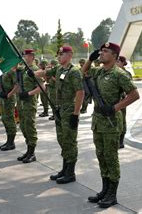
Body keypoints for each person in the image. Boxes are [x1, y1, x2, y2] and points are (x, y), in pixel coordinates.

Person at [82, 42, 140, 208]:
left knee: (111, 158)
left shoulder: (119, 74)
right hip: (98, 122)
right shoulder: (98, 71)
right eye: (100, 51)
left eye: (105, 51)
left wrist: (115, 108)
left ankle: (112, 195)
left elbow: (134, 95)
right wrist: (90, 59)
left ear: (114, 56)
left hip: (111, 123)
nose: (101, 53)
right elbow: (83, 73)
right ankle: (104, 190)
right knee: (101, 156)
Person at [46, 46, 84, 184]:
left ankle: (70, 173)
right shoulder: (60, 69)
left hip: (69, 109)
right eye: (58, 54)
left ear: (69, 55)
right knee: (62, 139)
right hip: (60, 109)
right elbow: (45, 73)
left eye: (61, 54)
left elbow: (80, 92)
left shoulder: (74, 72)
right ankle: (64, 169)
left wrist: (76, 113)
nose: (58, 56)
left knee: (70, 140)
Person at [16, 49, 43, 164]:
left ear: (31, 56)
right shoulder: (23, 70)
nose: (23, 57)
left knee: (30, 126)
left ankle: (32, 153)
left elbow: (42, 87)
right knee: (23, 126)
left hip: (29, 102)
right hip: (21, 102)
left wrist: (28, 93)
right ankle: (28, 150)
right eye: (23, 55)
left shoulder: (35, 70)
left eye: (25, 55)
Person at [0, 66, 19, 151]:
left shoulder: (11, 71)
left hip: (9, 99)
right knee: (4, 119)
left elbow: (17, 85)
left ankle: (11, 142)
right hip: (3, 98)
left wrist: (8, 95)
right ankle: (8, 141)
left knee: (9, 119)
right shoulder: (2, 71)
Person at [116, 56, 133, 149]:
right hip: (112, 101)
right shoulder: (112, 72)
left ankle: (121, 141)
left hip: (122, 100)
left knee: (122, 120)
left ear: (123, 63)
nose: (116, 63)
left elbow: (130, 89)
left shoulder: (126, 74)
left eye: (118, 61)